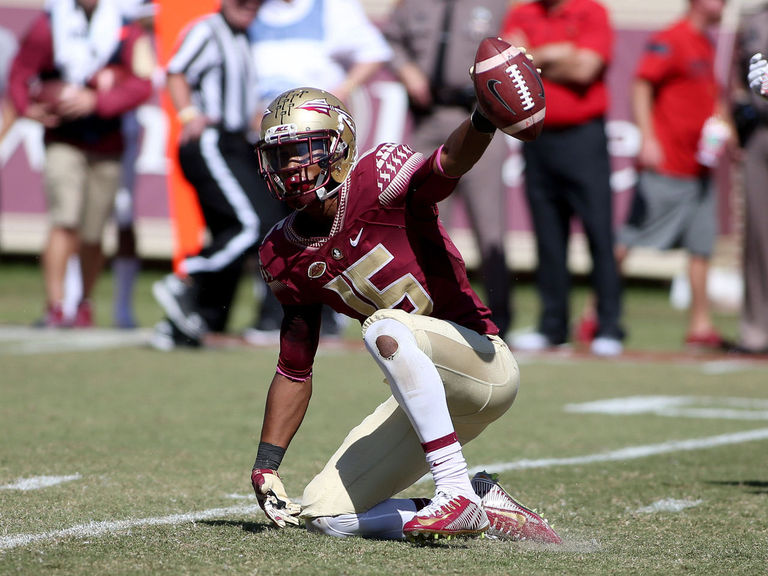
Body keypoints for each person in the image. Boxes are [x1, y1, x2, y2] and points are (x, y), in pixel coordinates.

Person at [247, 86, 561, 543]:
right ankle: (482, 505)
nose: (291, 167)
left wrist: (483, 119)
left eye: (303, 151)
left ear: (338, 146)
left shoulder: (377, 179)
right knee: (323, 516)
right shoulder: (281, 253)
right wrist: (266, 465)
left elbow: (447, 163)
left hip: (483, 364)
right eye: (280, 157)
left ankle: (452, 488)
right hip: (422, 400)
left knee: (384, 327)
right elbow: (294, 368)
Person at [243, 0, 393, 342]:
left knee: (322, 221)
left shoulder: (331, 8)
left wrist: (335, 96)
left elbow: (373, 51)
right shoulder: (254, 12)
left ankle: (332, 310)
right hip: (271, 143)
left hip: (314, 141)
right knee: (273, 226)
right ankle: (275, 311)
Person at [8, 0, 154, 328]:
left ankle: (83, 301)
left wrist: (97, 101)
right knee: (64, 219)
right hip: (63, 139)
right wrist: (26, 107)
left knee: (93, 230)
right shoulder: (50, 23)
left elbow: (142, 84)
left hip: (108, 141)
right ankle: (56, 305)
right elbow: (20, 71)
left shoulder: (125, 28)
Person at [151, 0, 286, 349]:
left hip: (237, 142)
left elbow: (243, 99)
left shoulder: (243, 37)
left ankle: (189, 322)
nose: (250, 6)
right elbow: (176, 71)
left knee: (244, 227)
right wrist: (188, 114)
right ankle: (187, 281)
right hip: (210, 140)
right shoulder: (206, 30)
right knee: (249, 225)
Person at [382, 0, 513, 339]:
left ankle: (500, 323)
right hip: (428, 121)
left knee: (490, 225)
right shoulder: (411, 3)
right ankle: (434, 320)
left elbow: (514, 49)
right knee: (428, 224)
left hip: (478, 117)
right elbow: (389, 38)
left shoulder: (497, 4)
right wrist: (405, 68)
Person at [501, 0, 624, 356]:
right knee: (548, 236)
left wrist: (534, 57)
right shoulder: (521, 13)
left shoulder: (591, 11)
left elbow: (586, 69)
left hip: (583, 137)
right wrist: (559, 54)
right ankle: (552, 325)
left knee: (599, 233)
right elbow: (510, 70)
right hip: (537, 138)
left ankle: (609, 326)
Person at [611, 0, 731, 350]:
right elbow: (641, 85)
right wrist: (648, 137)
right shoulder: (672, 38)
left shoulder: (708, 43)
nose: (723, 4)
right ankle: (596, 312)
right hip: (668, 165)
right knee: (628, 241)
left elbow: (712, 100)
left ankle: (700, 324)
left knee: (701, 247)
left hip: (700, 167)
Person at [725, 4, 768, 355]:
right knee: (757, 237)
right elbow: (740, 78)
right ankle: (756, 331)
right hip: (761, 132)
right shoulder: (753, 18)